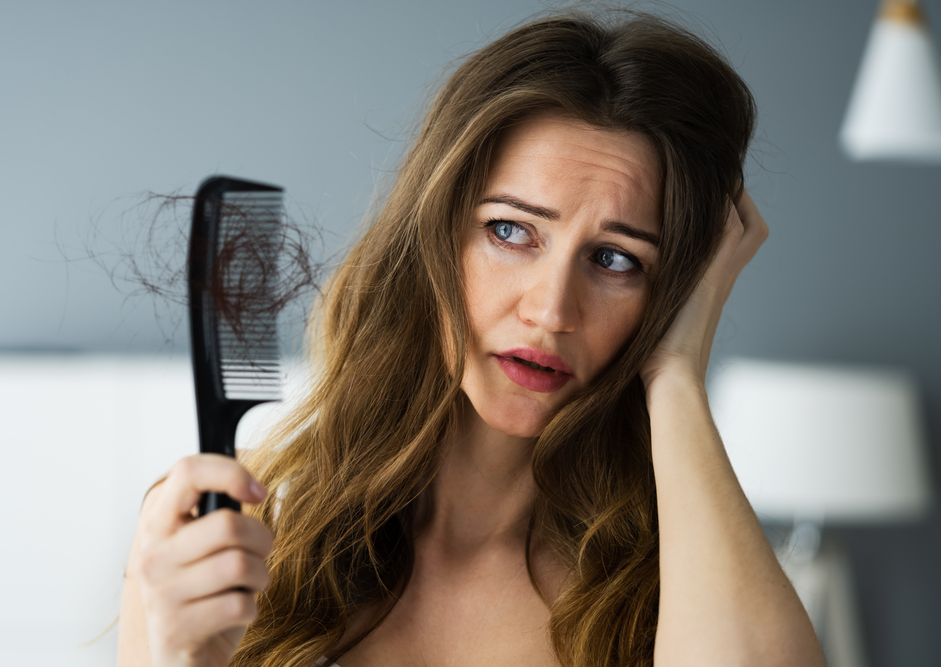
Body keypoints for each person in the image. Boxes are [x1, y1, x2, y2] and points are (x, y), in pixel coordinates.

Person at [118, 9, 825, 667]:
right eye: (510, 231)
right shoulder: (226, 531)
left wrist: (676, 375)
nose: (551, 311)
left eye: (616, 259)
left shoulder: (677, 589)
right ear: (432, 239)